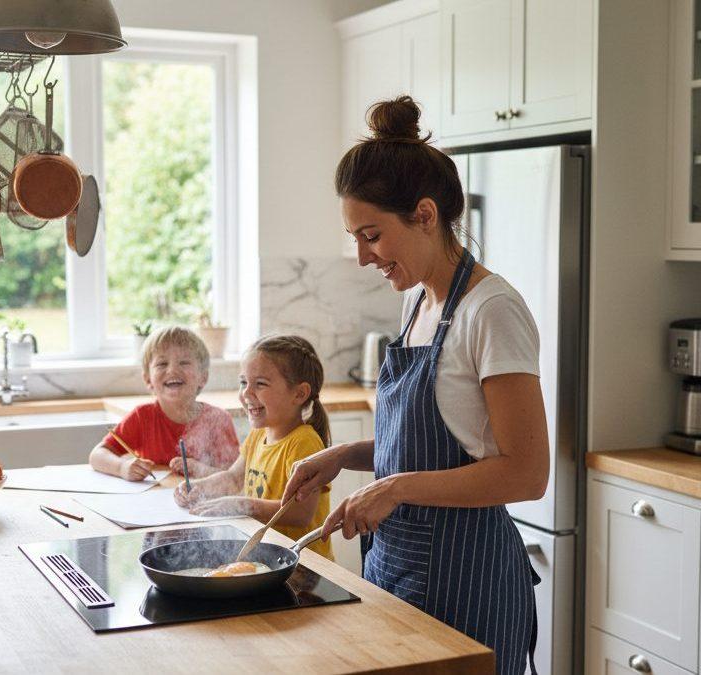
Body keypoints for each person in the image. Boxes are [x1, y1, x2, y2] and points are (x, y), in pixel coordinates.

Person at [282, 96, 549, 674]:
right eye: (355, 237)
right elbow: (436, 443)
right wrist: (345, 455)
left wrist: (394, 488)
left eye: (371, 235)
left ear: (424, 215)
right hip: (395, 569)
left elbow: (526, 473)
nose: (361, 257)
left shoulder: (491, 311)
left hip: (467, 583)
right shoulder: (414, 302)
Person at [174, 335, 334, 559]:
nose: (246, 393)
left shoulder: (304, 443)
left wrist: (241, 505)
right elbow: (233, 478)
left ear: (299, 393)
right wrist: (199, 487)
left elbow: (301, 514)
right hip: (267, 557)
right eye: (243, 382)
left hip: (305, 566)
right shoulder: (259, 434)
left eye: (260, 384)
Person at [89, 325, 239, 481]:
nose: (173, 370)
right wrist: (122, 467)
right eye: (162, 364)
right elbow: (97, 455)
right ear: (148, 380)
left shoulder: (218, 420)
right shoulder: (142, 417)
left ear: (203, 377)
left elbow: (237, 478)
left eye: (184, 362)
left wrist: (201, 470)